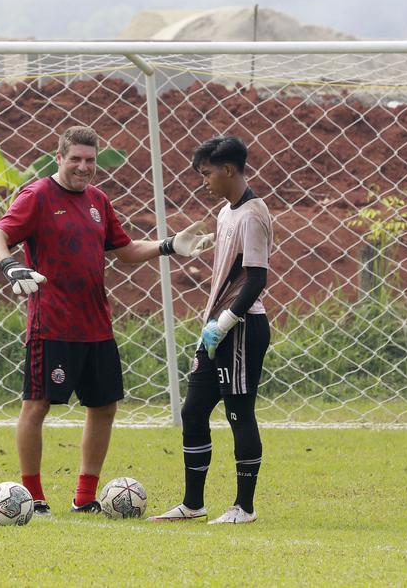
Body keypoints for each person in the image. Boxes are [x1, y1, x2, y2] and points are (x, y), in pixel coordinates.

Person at [0, 125, 213, 515]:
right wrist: (9, 265)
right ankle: (33, 496)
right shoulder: (37, 195)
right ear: (60, 158)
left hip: (96, 324)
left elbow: (124, 251)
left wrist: (169, 245)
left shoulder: (98, 200)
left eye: (90, 160)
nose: (83, 167)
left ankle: (85, 497)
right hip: (51, 324)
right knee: (37, 406)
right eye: (75, 159)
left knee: (104, 407)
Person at [149, 136, 273, 525]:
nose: (204, 182)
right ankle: (193, 504)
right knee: (193, 411)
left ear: (228, 170)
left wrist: (226, 322)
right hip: (216, 328)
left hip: (241, 326)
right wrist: (210, 244)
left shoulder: (253, 214)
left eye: (207, 174)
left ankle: (244, 508)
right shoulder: (226, 212)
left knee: (239, 412)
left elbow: (256, 278)